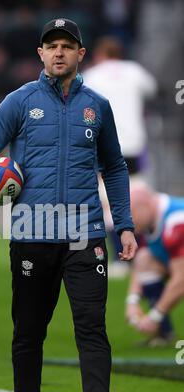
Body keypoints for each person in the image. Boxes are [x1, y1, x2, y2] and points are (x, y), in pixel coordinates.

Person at [0, 19, 137, 392]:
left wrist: (125, 225)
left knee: (92, 327)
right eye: (51, 45)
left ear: (81, 54)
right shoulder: (19, 102)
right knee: (29, 330)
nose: (59, 52)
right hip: (31, 235)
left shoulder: (98, 105)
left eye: (67, 46)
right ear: (40, 53)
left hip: (86, 234)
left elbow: (114, 166)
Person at [83, 37, 157, 278]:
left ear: (100, 55)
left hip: (107, 144)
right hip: (134, 144)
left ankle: (119, 258)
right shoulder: (135, 71)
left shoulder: (93, 75)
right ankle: (144, 255)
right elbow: (152, 88)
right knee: (138, 196)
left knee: (107, 201)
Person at [126, 183, 183, 343]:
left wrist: (154, 316)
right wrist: (132, 302)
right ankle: (164, 334)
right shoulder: (151, 220)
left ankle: (159, 325)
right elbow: (141, 263)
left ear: (144, 206)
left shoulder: (175, 221)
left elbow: (181, 280)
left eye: (128, 214)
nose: (124, 222)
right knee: (145, 258)